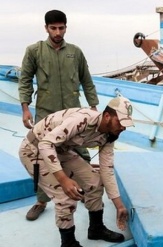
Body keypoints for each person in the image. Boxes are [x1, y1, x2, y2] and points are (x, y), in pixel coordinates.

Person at [18, 96, 133, 247]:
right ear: (107, 116)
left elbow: (107, 169)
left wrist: (119, 205)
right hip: (35, 150)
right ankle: (68, 243)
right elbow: (46, 144)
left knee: (95, 182)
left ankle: (96, 229)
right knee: (65, 196)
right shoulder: (82, 120)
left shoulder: (110, 134)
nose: (123, 127)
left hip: (60, 150)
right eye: (120, 122)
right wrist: (63, 179)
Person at [18, 9, 99, 221]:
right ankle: (41, 201)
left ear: (66, 28)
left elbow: (87, 80)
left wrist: (93, 107)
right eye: (53, 28)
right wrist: (25, 107)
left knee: (80, 152)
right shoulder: (35, 51)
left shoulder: (75, 52)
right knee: (41, 158)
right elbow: (25, 79)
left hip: (73, 113)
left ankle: (83, 192)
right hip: (46, 115)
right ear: (46, 28)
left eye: (61, 28)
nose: (57, 32)